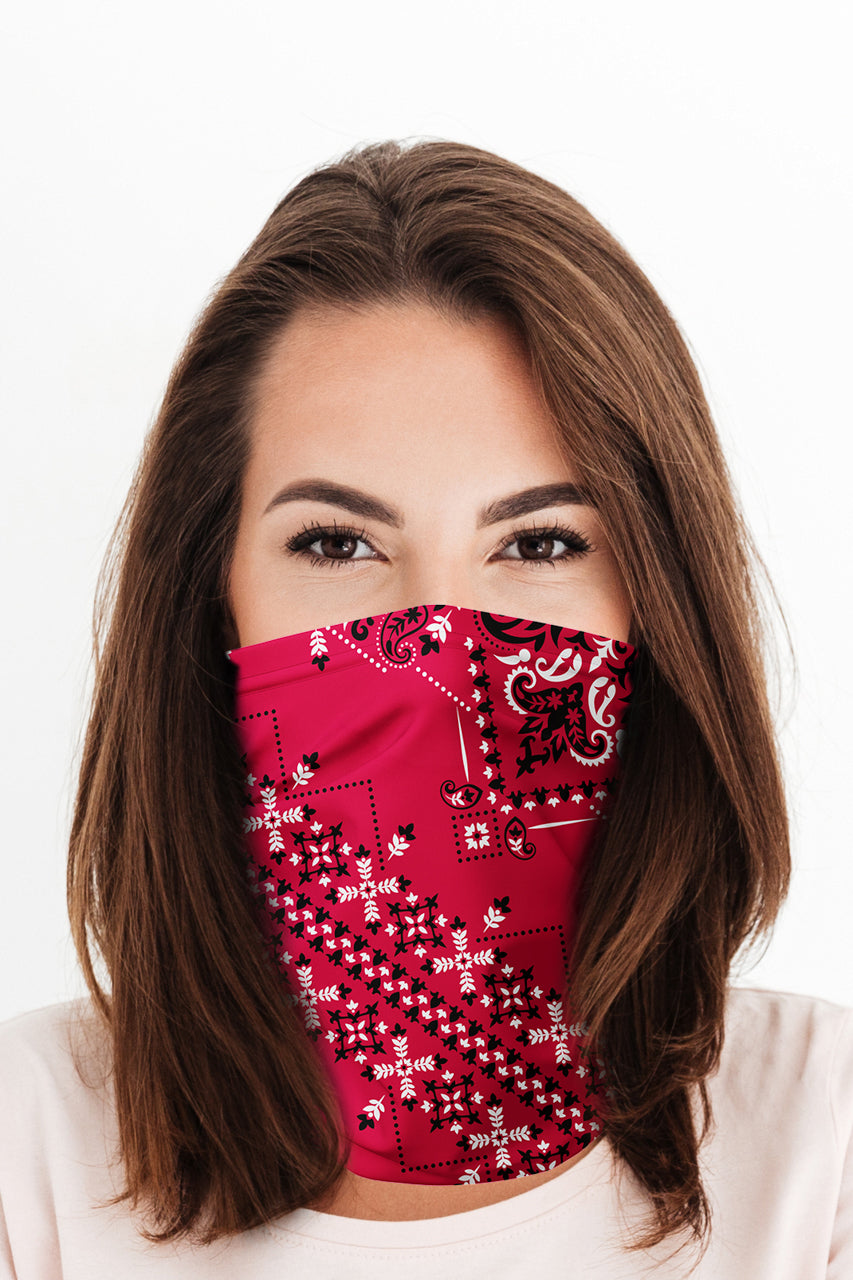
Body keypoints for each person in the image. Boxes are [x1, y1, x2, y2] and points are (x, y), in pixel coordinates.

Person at [0, 138, 850, 1279]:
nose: (438, 645)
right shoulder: (30, 1151)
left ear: (658, 603)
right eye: (335, 543)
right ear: (213, 598)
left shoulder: (822, 1139)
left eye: (539, 543)